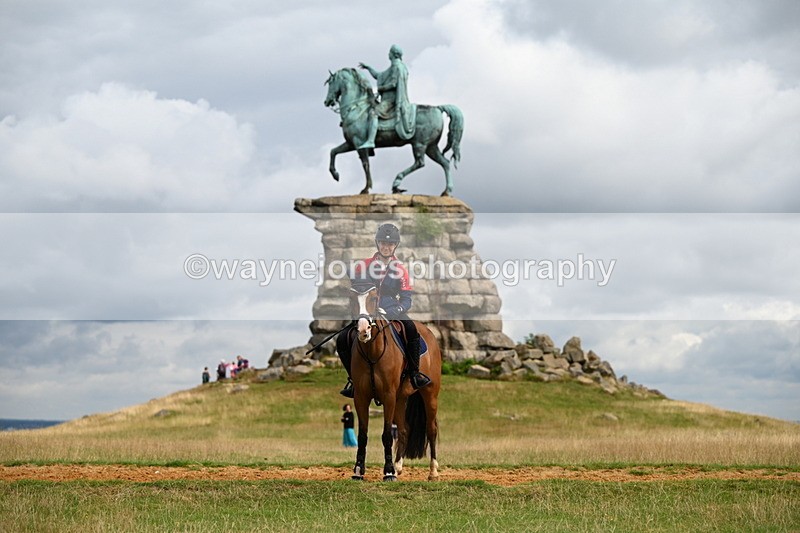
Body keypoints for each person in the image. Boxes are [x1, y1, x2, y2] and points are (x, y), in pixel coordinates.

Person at [336, 223, 432, 398]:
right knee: (343, 338)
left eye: (390, 244)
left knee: (411, 329)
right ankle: (353, 379)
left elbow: (406, 300)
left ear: (395, 246)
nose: (386, 247)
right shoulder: (363, 265)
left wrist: (393, 312)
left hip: (391, 309)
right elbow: (355, 286)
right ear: (377, 244)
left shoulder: (400, 270)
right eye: (383, 243)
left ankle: (414, 373)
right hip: (367, 310)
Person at [357, 44, 416, 149]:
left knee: (373, 113)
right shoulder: (400, 66)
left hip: (391, 101)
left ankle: (371, 141)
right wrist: (368, 68)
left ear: (393, 54)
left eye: (389, 52)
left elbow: (393, 84)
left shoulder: (396, 66)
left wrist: (381, 88)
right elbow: (378, 75)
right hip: (390, 99)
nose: (388, 54)